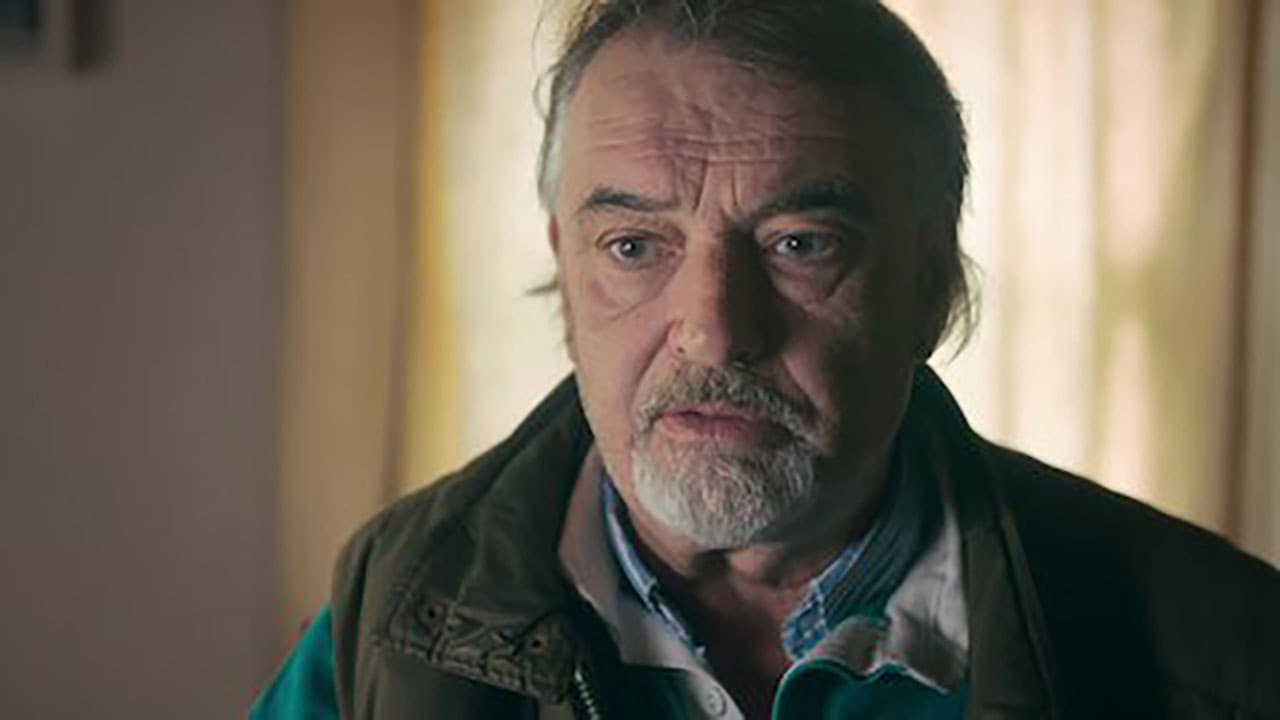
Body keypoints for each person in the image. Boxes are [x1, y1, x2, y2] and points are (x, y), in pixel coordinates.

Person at [250, 1, 1280, 718]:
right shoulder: (393, 612)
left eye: (799, 244)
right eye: (634, 246)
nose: (713, 329)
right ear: (564, 271)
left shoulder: (1220, 653)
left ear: (933, 285)